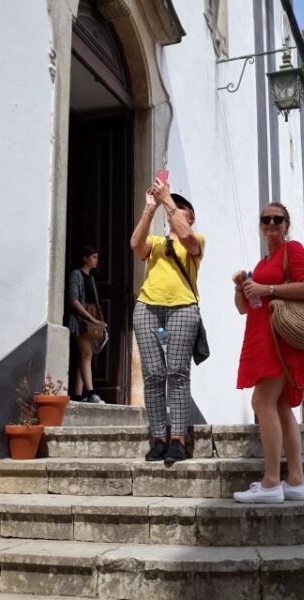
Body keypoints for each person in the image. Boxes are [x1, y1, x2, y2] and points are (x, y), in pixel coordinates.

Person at [231, 202, 304, 503]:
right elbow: (244, 309)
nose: (271, 223)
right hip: (264, 337)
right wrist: (242, 287)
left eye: (277, 219)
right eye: (265, 219)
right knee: (280, 406)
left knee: (261, 401)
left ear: (286, 224)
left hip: (278, 340)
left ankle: (270, 482)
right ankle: (296, 480)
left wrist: (267, 290)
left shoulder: (292, 251)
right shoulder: (266, 261)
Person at [130, 179, 205, 464]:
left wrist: (170, 203)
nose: (171, 210)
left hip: (183, 308)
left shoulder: (196, 240)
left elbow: (189, 242)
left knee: (177, 372)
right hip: (148, 307)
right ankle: (158, 438)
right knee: (152, 375)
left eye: (179, 208)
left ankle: (178, 439)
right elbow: (136, 244)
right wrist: (150, 209)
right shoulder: (158, 243)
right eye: (170, 206)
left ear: (190, 216)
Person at [65, 245, 106, 404]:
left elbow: (94, 302)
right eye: (94, 257)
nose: (96, 260)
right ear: (85, 258)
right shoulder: (76, 274)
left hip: (90, 320)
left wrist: (98, 320)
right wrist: (91, 318)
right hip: (80, 321)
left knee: (84, 356)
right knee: (87, 354)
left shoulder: (91, 278)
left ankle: (77, 394)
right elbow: (73, 299)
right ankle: (91, 393)